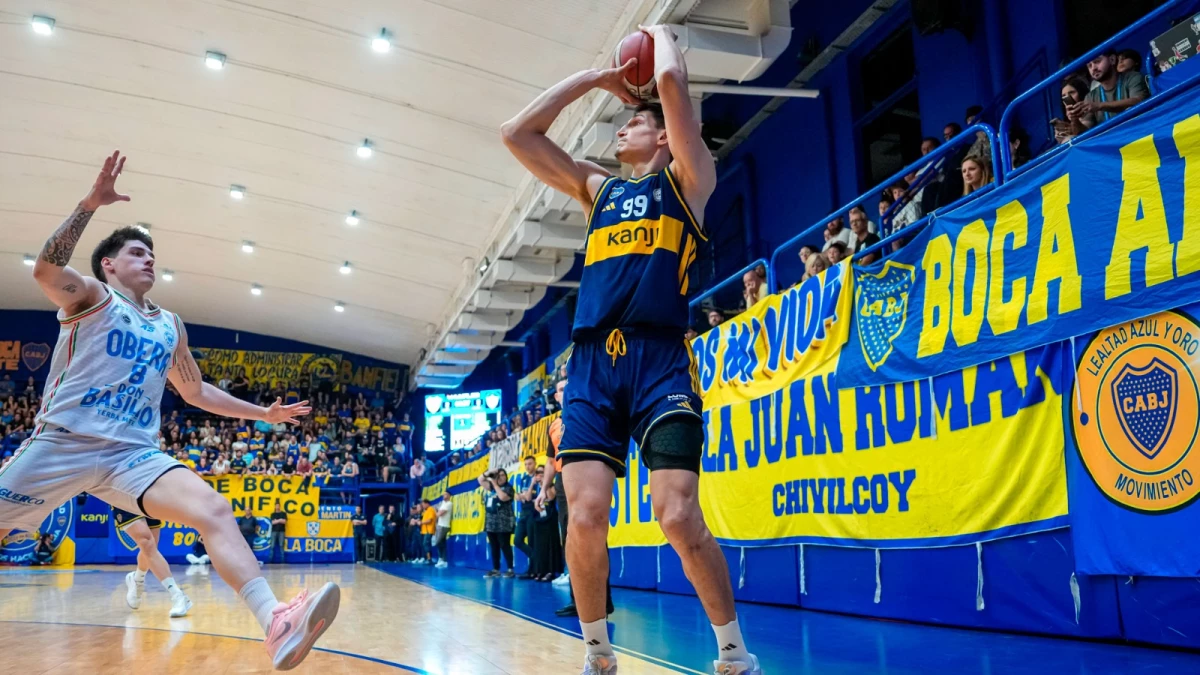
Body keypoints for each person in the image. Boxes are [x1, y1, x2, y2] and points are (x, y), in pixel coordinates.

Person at [0, 152, 338, 670]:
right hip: (62, 442)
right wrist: (90, 204)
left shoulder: (169, 324)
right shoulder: (92, 296)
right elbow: (46, 268)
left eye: (152, 253)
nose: (149, 259)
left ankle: (275, 622)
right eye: (137, 252)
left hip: (132, 456)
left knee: (215, 510)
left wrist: (262, 415)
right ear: (109, 265)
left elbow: (197, 392)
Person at [503, 33, 759, 669]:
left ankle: (734, 655)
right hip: (590, 366)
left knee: (676, 515)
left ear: (666, 137)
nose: (621, 130)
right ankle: (598, 654)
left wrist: (660, 37)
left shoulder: (689, 180)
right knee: (584, 512)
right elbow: (517, 134)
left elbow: (671, 86)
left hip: (660, 362)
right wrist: (595, 79)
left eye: (635, 122)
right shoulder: (600, 192)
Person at [114, 507, 192, 617]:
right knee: (146, 542)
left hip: (145, 493)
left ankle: (137, 579)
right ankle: (177, 595)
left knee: (151, 546)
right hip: (123, 496)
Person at [478, 468, 515, 578]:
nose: (500, 477)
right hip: (490, 523)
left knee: (505, 545)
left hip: (503, 523)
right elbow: (480, 480)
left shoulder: (508, 488)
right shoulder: (491, 488)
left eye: (503, 475)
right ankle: (496, 569)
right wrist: (489, 473)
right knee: (494, 547)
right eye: (498, 475)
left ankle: (510, 569)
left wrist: (494, 483)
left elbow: (503, 497)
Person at [513, 455, 538, 577]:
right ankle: (537, 560)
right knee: (517, 540)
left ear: (535, 464)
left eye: (530, 464)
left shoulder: (537, 479)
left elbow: (528, 497)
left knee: (532, 541)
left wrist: (524, 495)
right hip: (523, 513)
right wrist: (520, 495)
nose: (528, 466)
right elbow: (518, 496)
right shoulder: (523, 479)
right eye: (526, 464)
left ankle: (533, 570)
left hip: (533, 512)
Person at [434, 490, 453, 568]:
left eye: (445, 495)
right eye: (443, 494)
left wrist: (436, 512)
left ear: (448, 495)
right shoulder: (443, 503)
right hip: (439, 525)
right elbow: (437, 511)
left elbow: (440, 514)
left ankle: (442, 559)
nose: (443, 496)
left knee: (438, 542)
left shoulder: (449, 504)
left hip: (444, 526)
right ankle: (443, 560)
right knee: (442, 543)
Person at [269, 499, 287, 564]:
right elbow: (273, 522)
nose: (277, 507)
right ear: (275, 506)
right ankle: (270, 561)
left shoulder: (283, 513)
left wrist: (277, 520)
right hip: (274, 531)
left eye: (278, 506)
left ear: (280, 506)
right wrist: (280, 520)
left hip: (281, 531)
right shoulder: (273, 514)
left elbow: (284, 521)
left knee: (281, 545)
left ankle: (282, 561)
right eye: (276, 506)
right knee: (272, 546)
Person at [420, 498, 437, 564]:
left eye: (423, 504)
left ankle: (429, 559)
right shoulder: (426, 511)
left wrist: (422, 522)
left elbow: (429, 520)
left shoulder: (431, 510)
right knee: (427, 544)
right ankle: (428, 558)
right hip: (425, 531)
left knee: (425, 544)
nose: (423, 506)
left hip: (429, 531)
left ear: (427, 504)